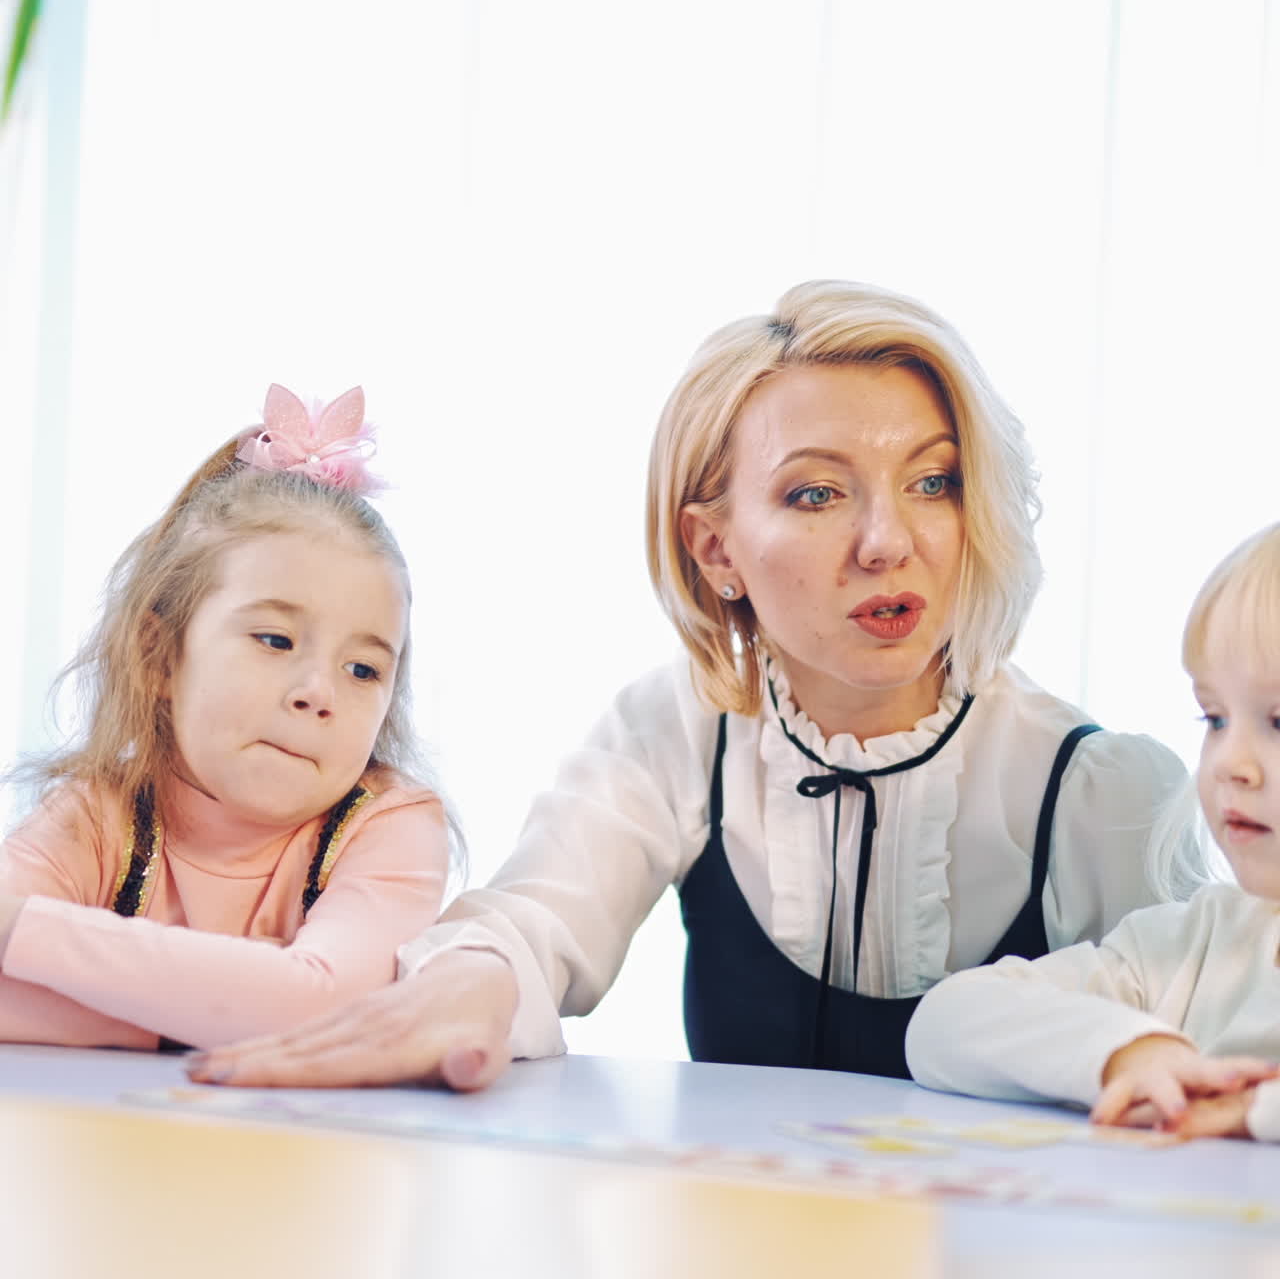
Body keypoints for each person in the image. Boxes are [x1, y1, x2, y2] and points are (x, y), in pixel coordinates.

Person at [187, 281, 1193, 1091]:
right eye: (816, 492)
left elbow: (1207, 1056)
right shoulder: (675, 729)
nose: (890, 542)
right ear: (715, 549)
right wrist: (468, 987)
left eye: (933, 480)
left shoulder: (1099, 790)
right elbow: (534, 919)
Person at [0, 384, 451, 1050]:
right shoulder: (97, 815)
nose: (318, 692)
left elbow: (321, 1007)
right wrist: (213, 1016)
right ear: (159, 656)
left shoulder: (389, 829)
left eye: (363, 669)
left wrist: (21, 932)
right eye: (275, 640)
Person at [903, 522, 1280, 1140]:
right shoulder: (1198, 942)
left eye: (1278, 721)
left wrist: (1257, 1111)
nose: (1230, 763)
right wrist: (1129, 1052)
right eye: (1214, 717)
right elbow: (942, 1024)